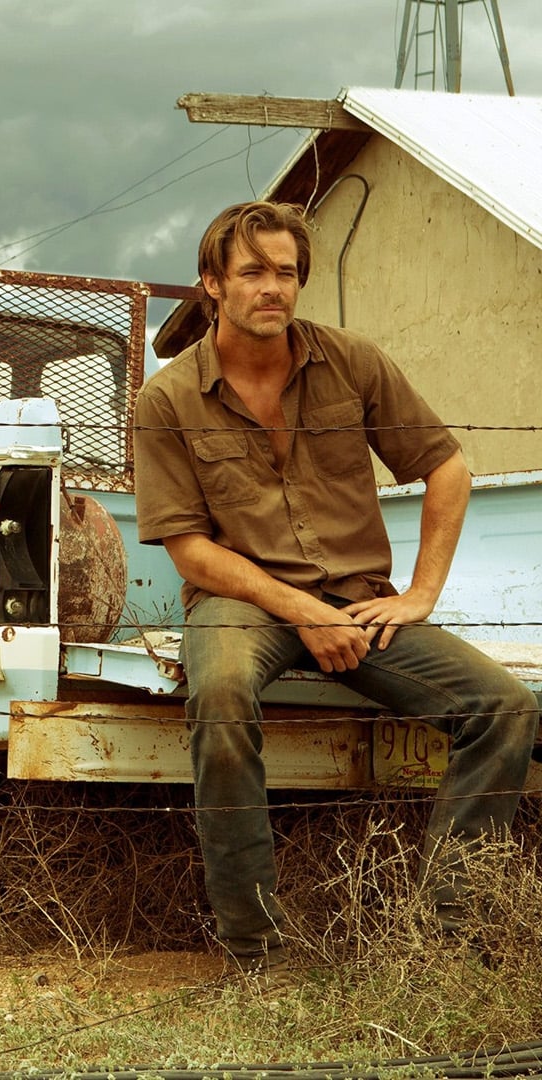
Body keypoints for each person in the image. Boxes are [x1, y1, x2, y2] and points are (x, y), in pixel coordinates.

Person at [134, 200, 538, 970]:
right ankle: (255, 953)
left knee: (505, 708)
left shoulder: (353, 362)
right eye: (253, 272)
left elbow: (447, 468)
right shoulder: (169, 398)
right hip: (241, 602)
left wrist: (419, 595)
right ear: (212, 283)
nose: (273, 288)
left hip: (359, 599)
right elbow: (190, 551)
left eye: (287, 273)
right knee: (220, 696)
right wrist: (301, 611)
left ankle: (445, 944)